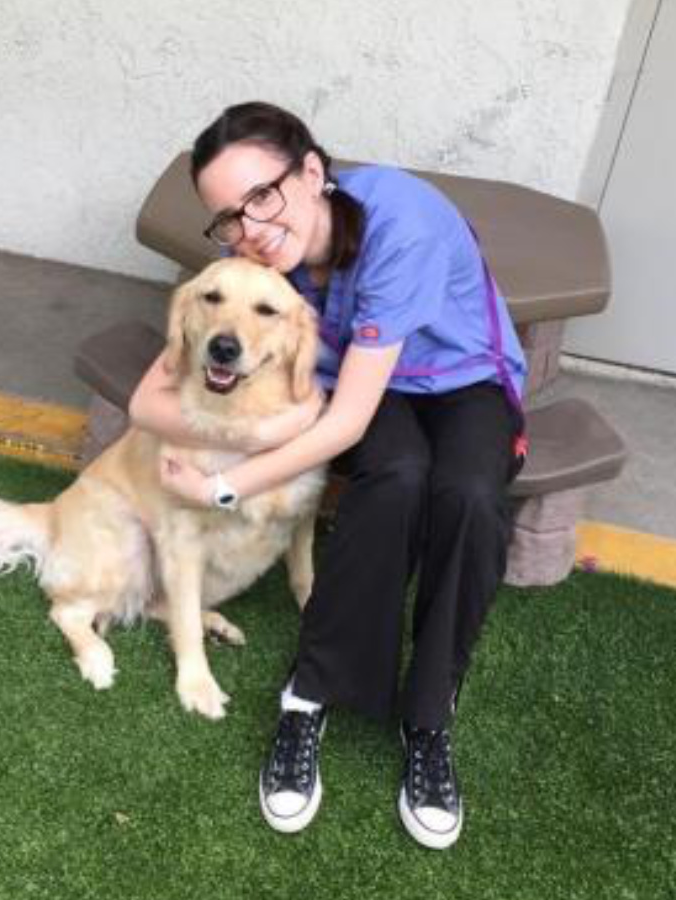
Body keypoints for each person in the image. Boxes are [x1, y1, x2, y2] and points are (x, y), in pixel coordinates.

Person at [128, 101, 527, 849]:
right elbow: (145, 398)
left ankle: (428, 718)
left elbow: (337, 426)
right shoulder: (251, 271)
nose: (248, 227)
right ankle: (308, 695)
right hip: (360, 386)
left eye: (261, 196)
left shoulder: (396, 223)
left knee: (469, 496)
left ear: (313, 172)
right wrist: (263, 426)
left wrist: (223, 484)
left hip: (461, 377)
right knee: (396, 480)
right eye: (227, 216)